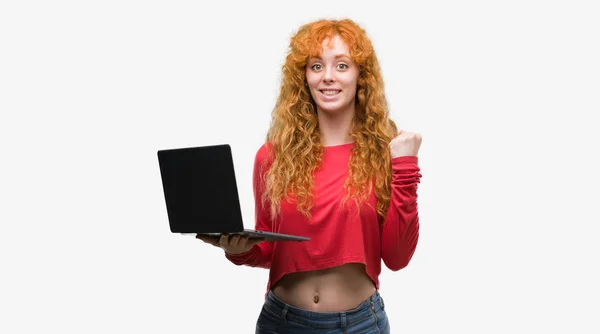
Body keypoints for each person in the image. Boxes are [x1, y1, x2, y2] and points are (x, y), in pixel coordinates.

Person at [197, 18, 422, 333]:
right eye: (316, 66)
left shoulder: (384, 154)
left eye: (342, 66)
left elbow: (397, 258)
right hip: (282, 322)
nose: (327, 77)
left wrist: (406, 168)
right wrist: (240, 250)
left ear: (362, 76)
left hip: (359, 325)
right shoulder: (273, 157)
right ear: (303, 76)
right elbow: (270, 249)